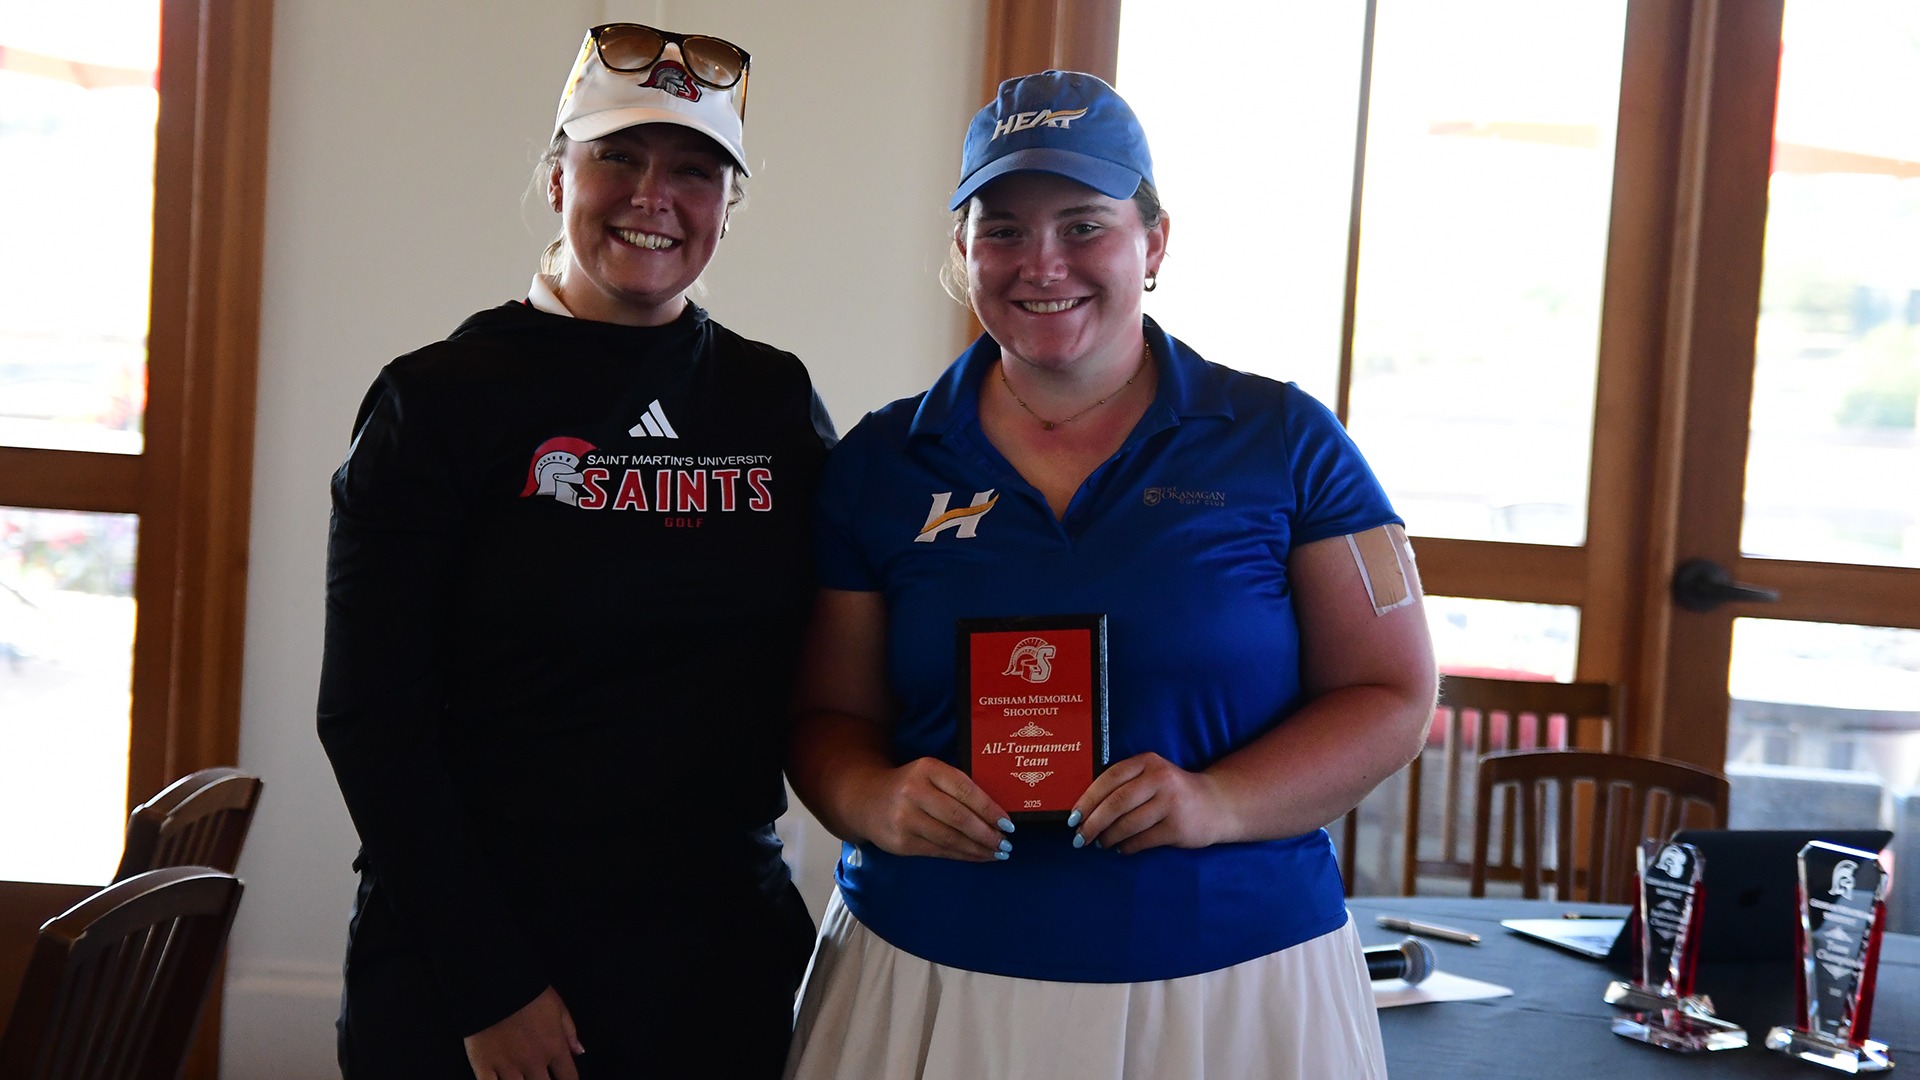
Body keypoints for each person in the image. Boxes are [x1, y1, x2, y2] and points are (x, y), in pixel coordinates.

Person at [782, 70, 1437, 1079]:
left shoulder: (1285, 441)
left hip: (1238, 976)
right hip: (932, 970)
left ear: (1154, 242)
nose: (1043, 263)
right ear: (963, 252)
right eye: (1002, 229)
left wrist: (1221, 803)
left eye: (1083, 224)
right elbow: (826, 715)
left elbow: (1391, 694)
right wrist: (872, 799)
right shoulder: (879, 462)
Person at [318, 23, 834, 1080]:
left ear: (729, 209)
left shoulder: (771, 402)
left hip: (716, 963)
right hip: (480, 965)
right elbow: (372, 719)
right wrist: (489, 982)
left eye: (696, 171)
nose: (656, 197)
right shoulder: (440, 402)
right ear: (557, 175)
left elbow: (851, 641)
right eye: (619, 158)